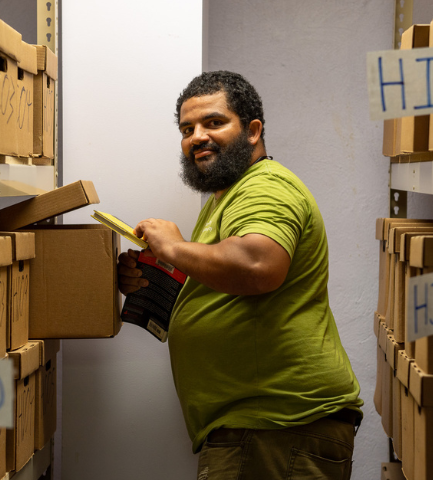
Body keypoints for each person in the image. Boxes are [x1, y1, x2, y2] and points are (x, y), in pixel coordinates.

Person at [117, 71, 363, 480]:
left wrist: (175, 247)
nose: (197, 136)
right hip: (260, 426)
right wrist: (154, 276)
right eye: (187, 128)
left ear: (252, 131)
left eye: (213, 122)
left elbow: (257, 267)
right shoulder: (226, 198)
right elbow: (225, 283)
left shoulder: (265, 187)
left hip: (278, 424)